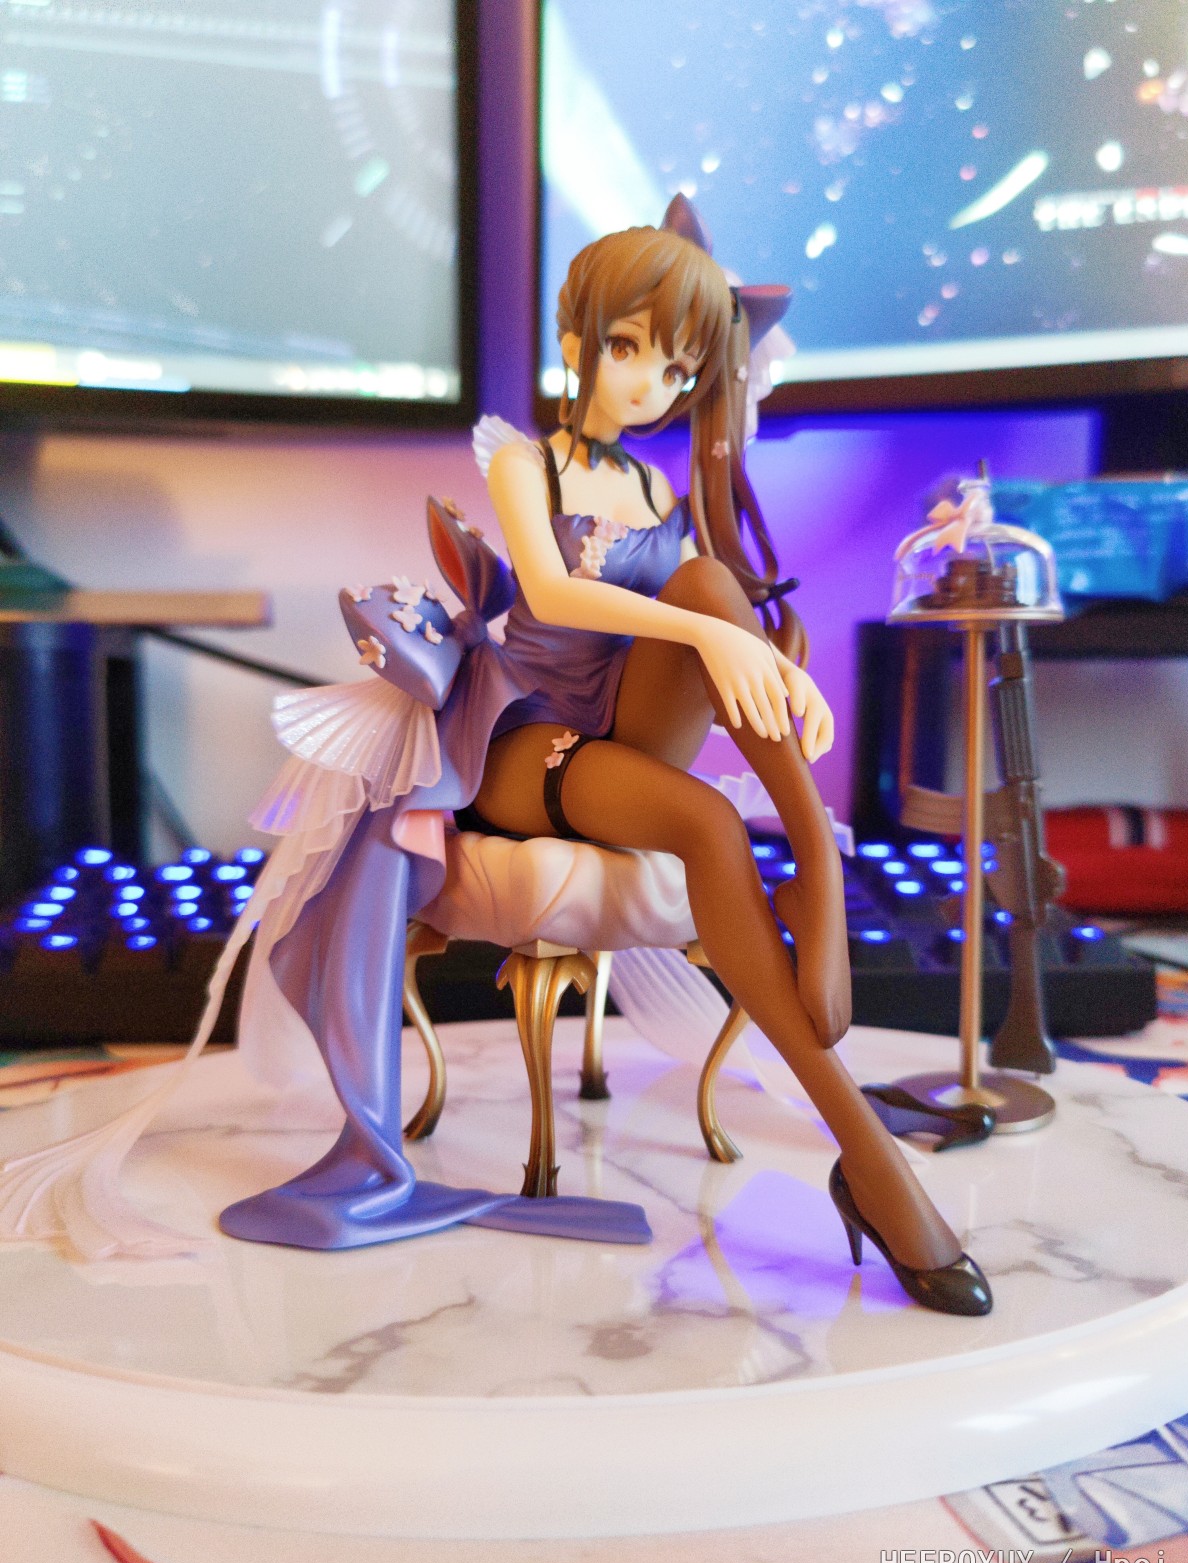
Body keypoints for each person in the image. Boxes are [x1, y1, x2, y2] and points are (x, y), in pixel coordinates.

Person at [0, 197, 991, 1314]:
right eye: (630, 349)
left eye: (676, 370)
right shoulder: (527, 463)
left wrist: (742, 638)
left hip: (622, 725)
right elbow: (556, 595)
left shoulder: (660, 492)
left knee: (712, 580)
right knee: (711, 802)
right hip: (524, 741)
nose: (650, 384)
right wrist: (721, 639)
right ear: (577, 342)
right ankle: (868, 1155)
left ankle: (815, 861)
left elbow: (695, 621)